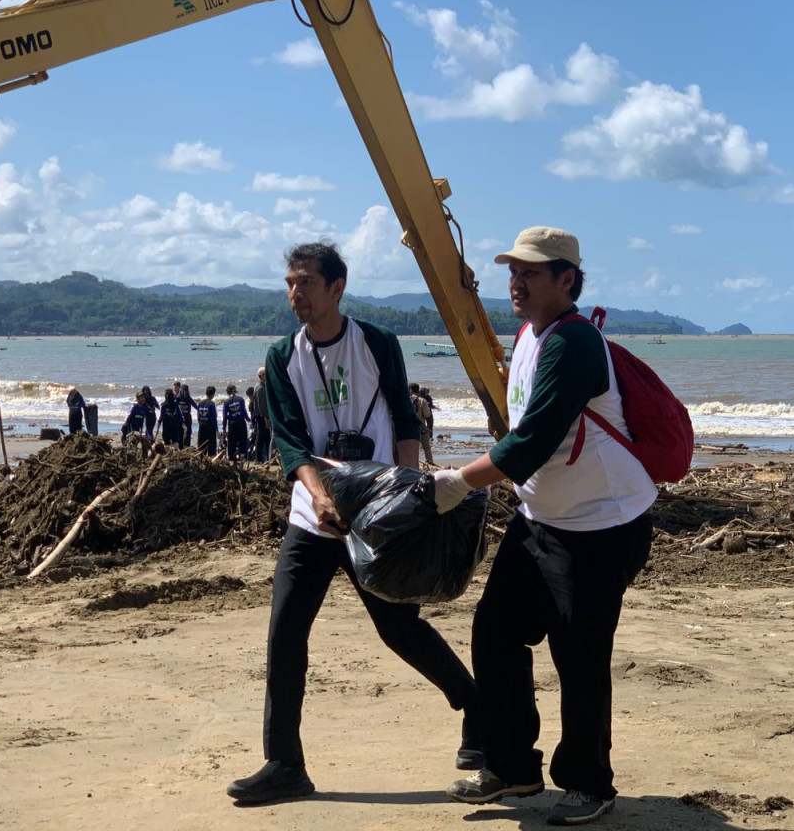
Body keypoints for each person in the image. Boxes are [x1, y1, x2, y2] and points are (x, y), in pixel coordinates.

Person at [227, 241, 480, 806]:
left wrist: (412, 494)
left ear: (337, 288)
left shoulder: (378, 344)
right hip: (313, 515)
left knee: (399, 628)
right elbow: (290, 443)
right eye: (290, 283)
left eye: (306, 283)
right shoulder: (281, 356)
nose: (296, 294)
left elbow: (402, 416)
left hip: (376, 514)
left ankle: (476, 709)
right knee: (285, 634)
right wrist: (319, 498)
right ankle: (284, 764)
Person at [434, 226, 655, 827]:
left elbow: (530, 444)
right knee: (495, 632)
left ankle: (589, 784)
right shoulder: (530, 335)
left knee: (577, 654)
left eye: (531, 272)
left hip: (603, 527)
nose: (517, 281)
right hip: (543, 522)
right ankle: (515, 766)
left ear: (567, 279)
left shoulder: (575, 344)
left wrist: (456, 482)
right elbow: (519, 428)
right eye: (514, 271)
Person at [221, 384, 250, 460]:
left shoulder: (226, 402)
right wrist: (249, 420)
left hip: (232, 424)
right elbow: (244, 412)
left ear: (228, 392)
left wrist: (224, 428)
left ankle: (231, 458)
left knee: (232, 443)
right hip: (241, 423)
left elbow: (225, 416)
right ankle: (243, 458)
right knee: (243, 441)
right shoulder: (241, 399)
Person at [410, 382, 434, 464]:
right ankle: (430, 463)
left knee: (411, 448)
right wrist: (430, 429)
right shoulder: (422, 401)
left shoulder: (406, 399)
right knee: (426, 447)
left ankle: (412, 464)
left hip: (410, 426)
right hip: (421, 426)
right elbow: (428, 416)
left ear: (410, 390)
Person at [251, 367, 271, 461]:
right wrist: (266, 419)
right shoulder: (260, 388)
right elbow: (262, 406)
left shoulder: (260, 385)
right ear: (261, 376)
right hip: (262, 416)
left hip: (261, 416)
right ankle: (258, 458)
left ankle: (267, 457)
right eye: (265, 374)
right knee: (262, 437)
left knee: (265, 437)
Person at [197, 385, 219, 456]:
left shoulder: (200, 403)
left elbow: (198, 416)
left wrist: (200, 423)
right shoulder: (211, 404)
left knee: (201, 444)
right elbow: (213, 417)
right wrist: (216, 429)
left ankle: (201, 458)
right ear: (213, 394)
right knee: (211, 445)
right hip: (209, 426)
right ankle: (211, 458)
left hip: (201, 425)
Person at [177, 382, 196, 447]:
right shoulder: (189, 398)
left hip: (179, 418)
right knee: (188, 432)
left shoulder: (177, 398)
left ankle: (180, 445)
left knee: (180, 431)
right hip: (187, 416)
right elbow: (196, 406)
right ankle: (187, 445)